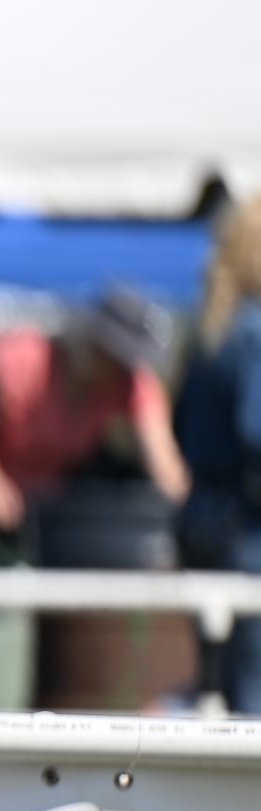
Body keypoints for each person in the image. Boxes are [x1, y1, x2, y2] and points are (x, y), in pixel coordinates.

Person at [0, 288, 190, 556]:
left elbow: (161, 454)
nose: (121, 368)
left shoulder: (128, 382)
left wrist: (176, 496)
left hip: (39, 507)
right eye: (116, 355)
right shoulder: (28, 358)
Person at [175, 198, 261, 710]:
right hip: (246, 535)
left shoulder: (212, 327)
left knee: (222, 687)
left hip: (205, 525)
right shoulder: (253, 332)